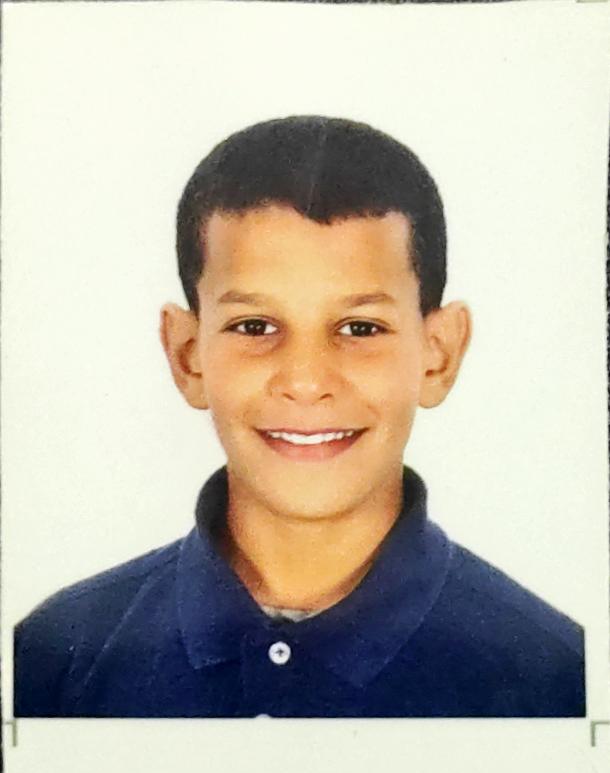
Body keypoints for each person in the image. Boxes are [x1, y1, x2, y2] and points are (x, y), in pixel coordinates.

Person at [14, 116, 585, 718]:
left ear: (438, 354)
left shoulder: (557, 680)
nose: (307, 381)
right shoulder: (53, 662)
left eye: (359, 328)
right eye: (255, 326)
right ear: (187, 356)